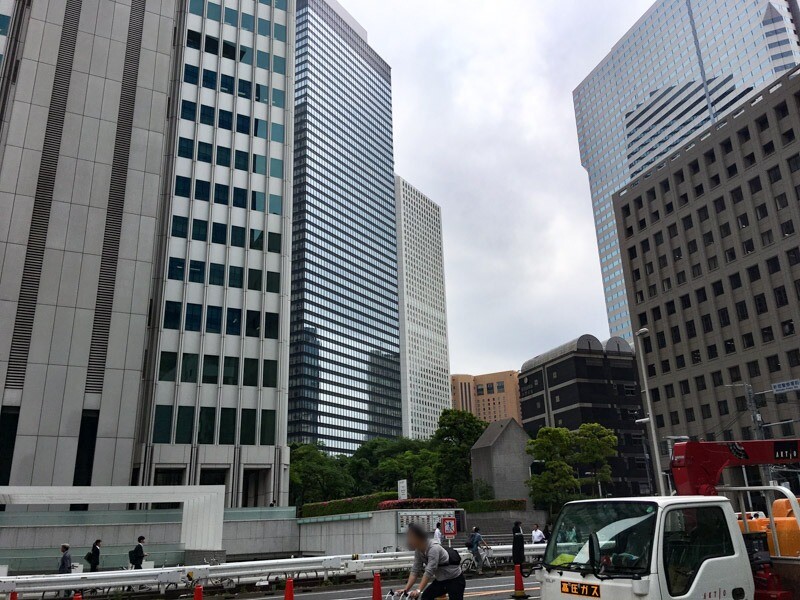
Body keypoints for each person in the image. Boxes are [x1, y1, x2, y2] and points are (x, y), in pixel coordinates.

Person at [401, 522, 465, 600]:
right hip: (441, 580)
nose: (409, 541)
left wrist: (418, 590)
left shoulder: (433, 548)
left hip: (455, 580)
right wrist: (405, 590)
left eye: (411, 537)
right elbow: (415, 570)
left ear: (418, 538)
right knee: (426, 596)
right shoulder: (418, 550)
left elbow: (429, 571)